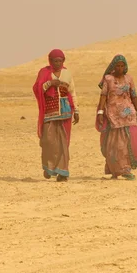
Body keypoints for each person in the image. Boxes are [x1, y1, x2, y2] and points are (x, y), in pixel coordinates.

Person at [32, 49, 80, 182]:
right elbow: (37, 89)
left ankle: (62, 172)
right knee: (48, 141)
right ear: (50, 61)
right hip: (49, 111)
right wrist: (49, 83)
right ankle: (49, 168)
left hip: (65, 112)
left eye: (60, 61)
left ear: (63, 61)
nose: (57, 63)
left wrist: (76, 110)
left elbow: (73, 92)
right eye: (54, 61)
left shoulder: (67, 74)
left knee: (63, 143)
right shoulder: (44, 73)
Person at [96, 55, 137, 180]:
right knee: (116, 145)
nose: (120, 68)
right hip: (113, 115)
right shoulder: (108, 79)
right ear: (113, 66)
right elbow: (103, 96)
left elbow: (134, 96)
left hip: (129, 115)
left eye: (122, 66)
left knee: (129, 142)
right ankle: (115, 170)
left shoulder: (129, 79)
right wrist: (100, 112)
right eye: (117, 66)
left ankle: (126, 169)